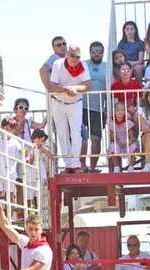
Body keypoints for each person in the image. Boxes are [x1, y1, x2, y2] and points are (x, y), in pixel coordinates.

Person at [47, 44, 91, 174]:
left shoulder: (83, 65)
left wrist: (75, 88)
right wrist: (66, 89)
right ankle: (68, 165)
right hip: (58, 102)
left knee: (76, 133)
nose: (74, 59)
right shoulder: (57, 64)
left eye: (77, 57)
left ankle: (75, 164)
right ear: (67, 55)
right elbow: (52, 85)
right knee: (62, 133)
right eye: (72, 55)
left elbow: (88, 85)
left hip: (75, 102)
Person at [82, 41, 107, 173]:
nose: (96, 54)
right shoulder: (83, 64)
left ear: (103, 53)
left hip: (98, 109)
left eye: (99, 51)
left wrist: (107, 109)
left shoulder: (107, 66)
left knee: (96, 139)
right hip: (82, 107)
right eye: (94, 51)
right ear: (90, 52)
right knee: (82, 138)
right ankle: (82, 166)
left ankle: (92, 167)